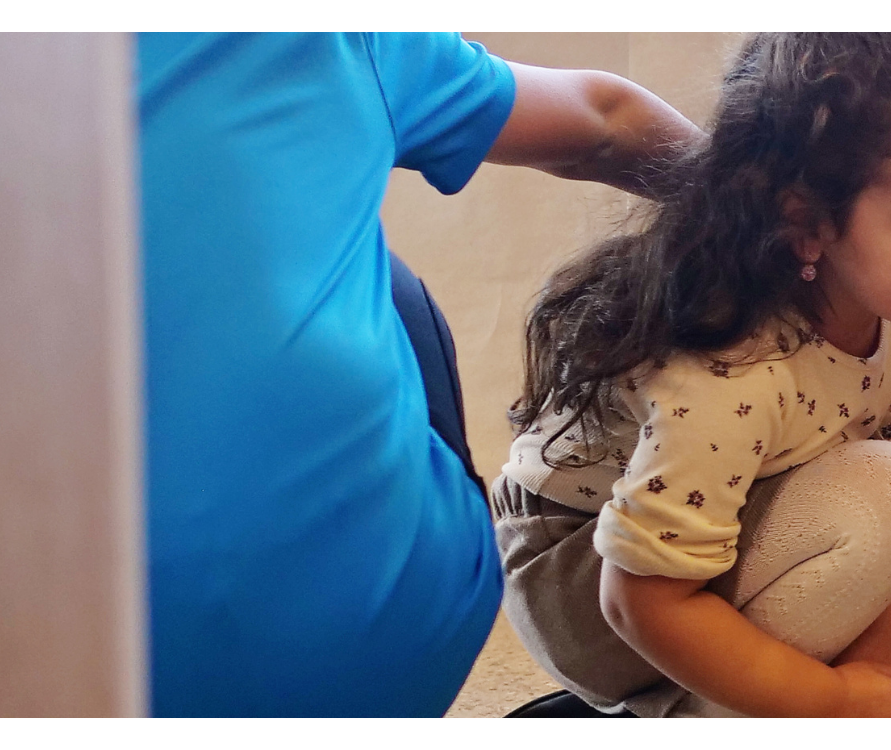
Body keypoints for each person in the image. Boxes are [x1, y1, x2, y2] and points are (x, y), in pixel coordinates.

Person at [135, 31, 700, 717]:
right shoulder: (337, 45)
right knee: (381, 288)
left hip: (30, 665)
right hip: (374, 647)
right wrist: (774, 218)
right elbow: (604, 123)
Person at [491, 32, 891, 719]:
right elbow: (640, 600)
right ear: (806, 225)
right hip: (589, 580)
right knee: (888, 488)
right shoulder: (731, 368)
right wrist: (826, 698)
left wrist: (884, 649)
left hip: (734, 529)